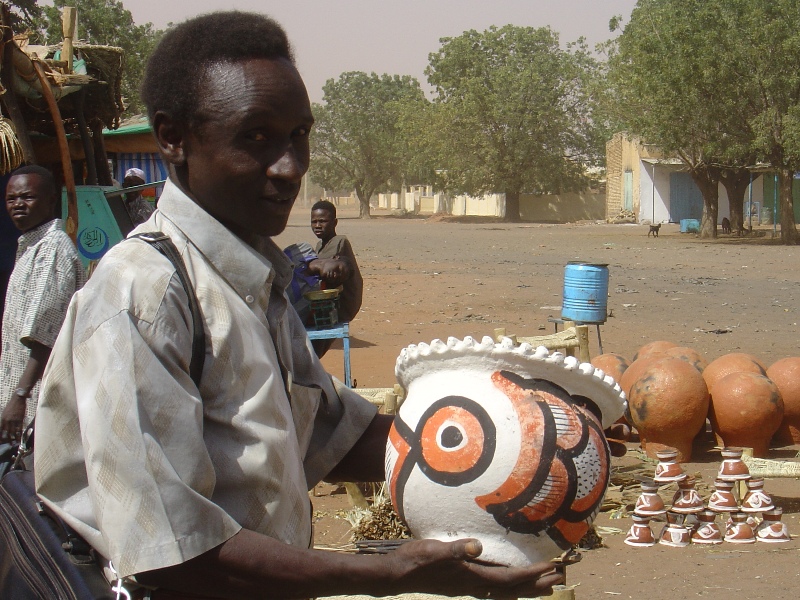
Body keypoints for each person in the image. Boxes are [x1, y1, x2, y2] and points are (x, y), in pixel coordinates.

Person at [34, 12, 561, 599]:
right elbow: (169, 553)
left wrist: (515, 442)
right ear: (173, 138)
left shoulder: (253, 282)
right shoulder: (144, 294)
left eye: (299, 135)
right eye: (256, 137)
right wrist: (387, 573)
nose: (291, 167)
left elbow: (328, 437)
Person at [0, 165, 86, 442]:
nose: (18, 204)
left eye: (27, 197)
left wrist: (20, 396)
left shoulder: (53, 250)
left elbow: (44, 334)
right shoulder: (30, 248)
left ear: (50, 201)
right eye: (11, 198)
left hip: (37, 402)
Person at [311, 199, 363, 324]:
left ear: (334, 223)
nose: (317, 225)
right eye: (314, 222)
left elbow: (323, 269)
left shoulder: (339, 241)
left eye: (323, 221)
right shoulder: (320, 245)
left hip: (342, 305)